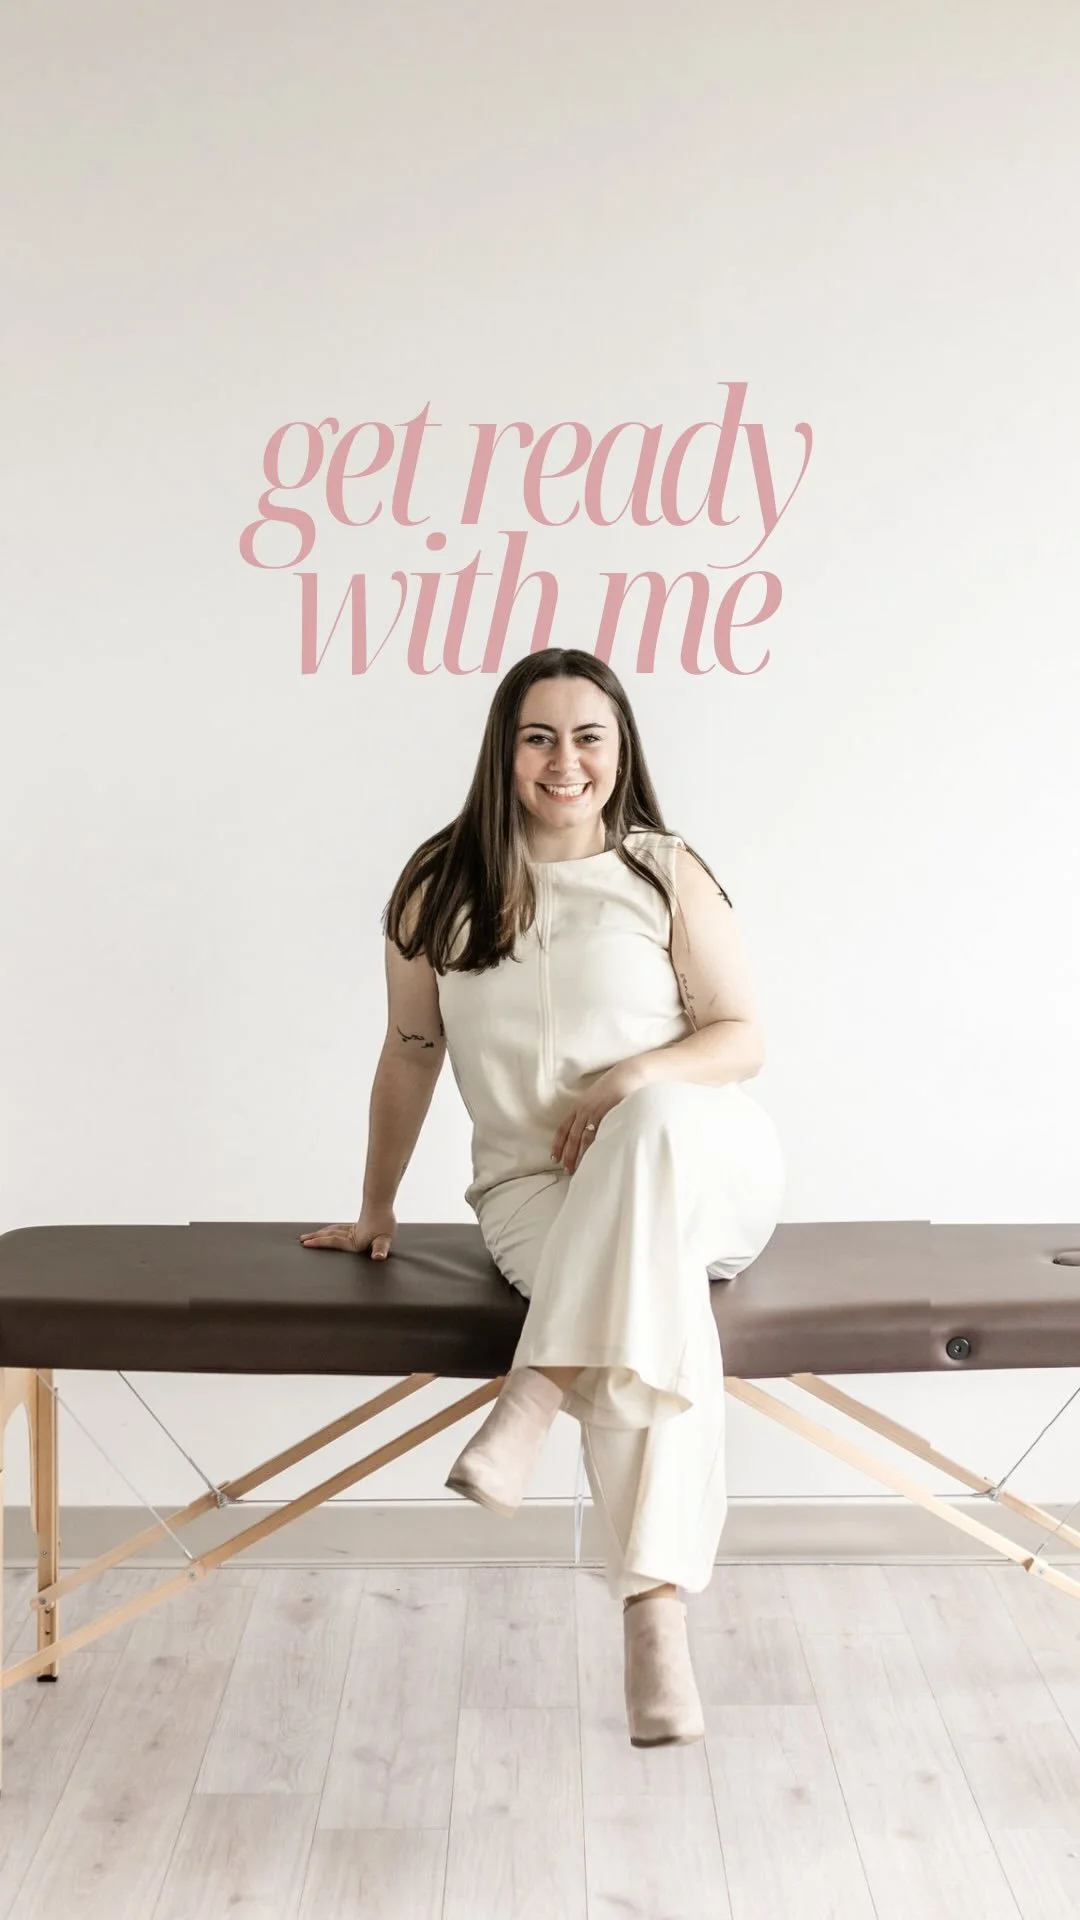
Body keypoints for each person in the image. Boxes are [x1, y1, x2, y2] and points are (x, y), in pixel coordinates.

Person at [301, 648, 785, 1748]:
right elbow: (411, 1051)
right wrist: (375, 1209)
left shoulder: (667, 871)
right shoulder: (439, 888)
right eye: (539, 737)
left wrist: (629, 1077)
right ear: (505, 750)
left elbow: (741, 1037)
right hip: (539, 1195)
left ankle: (533, 1397)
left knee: (649, 1123)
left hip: (704, 1165)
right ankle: (654, 1616)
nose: (565, 761)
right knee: (646, 1299)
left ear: (620, 750)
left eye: (588, 737)